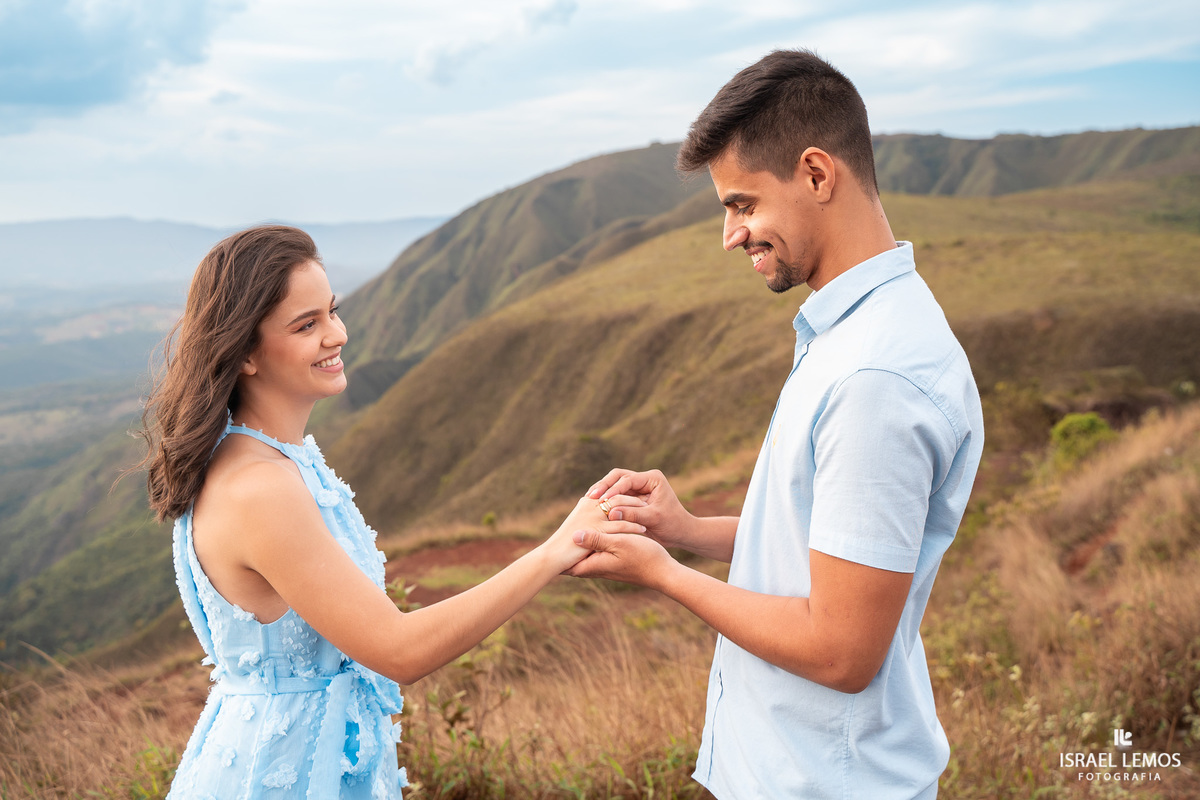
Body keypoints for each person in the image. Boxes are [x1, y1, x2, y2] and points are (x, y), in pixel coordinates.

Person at [568, 50, 985, 799]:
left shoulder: (874, 380)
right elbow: (824, 545)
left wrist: (663, 575)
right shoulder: (852, 339)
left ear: (818, 175)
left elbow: (839, 651)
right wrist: (685, 529)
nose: (732, 234)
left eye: (741, 204)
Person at [136, 225, 644, 798]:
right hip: (280, 776)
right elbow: (398, 651)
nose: (337, 335)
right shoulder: (258, 486)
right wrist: (556, 550)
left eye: (332, 311)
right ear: (245, 352)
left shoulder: (280, 458)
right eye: (307, 325)